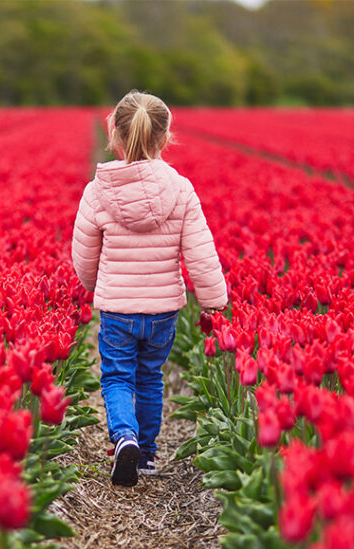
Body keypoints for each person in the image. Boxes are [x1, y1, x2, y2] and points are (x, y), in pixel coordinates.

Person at [71, 90, 228, 487]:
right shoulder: (181, 190)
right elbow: (200, 251)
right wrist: (213, 300)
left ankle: (125, 438)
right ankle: (148, 454)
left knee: (118, 377)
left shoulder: (98, 190)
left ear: (114, 136)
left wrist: (92, 285)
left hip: (119, 308)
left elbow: (84, 253)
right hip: (162, 310)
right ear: (165, 137)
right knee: (150, 376)